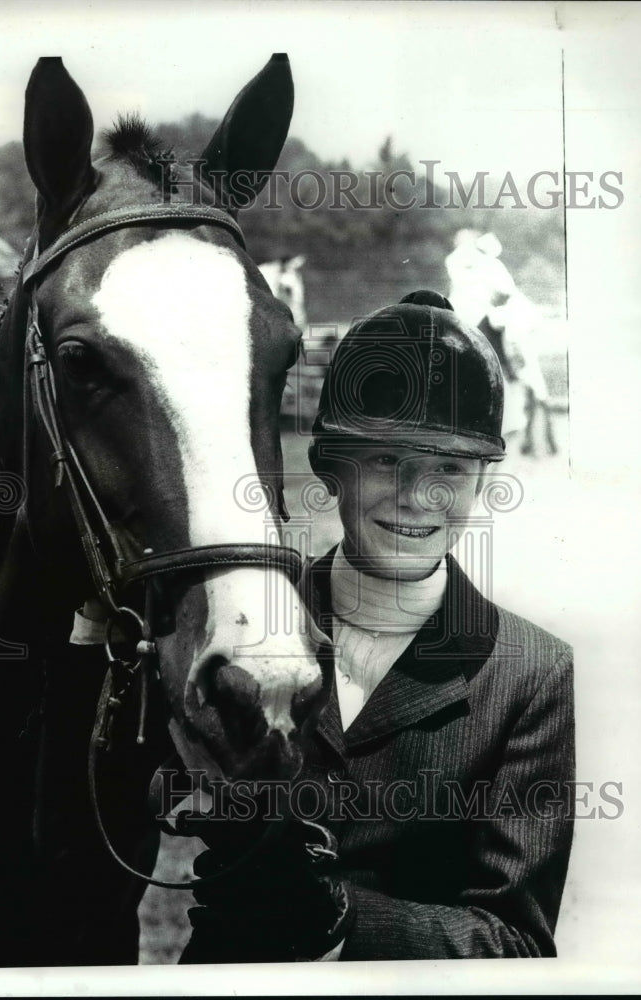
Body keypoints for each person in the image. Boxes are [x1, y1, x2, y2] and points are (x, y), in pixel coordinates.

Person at [178, 289, 574, 962]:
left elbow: (516, 942)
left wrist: (337, 918)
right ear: (330, 468)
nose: (417, 496)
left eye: (449, 467)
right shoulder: (245, 616)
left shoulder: (530, 672)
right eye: (386, 460)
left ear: (479, 482)